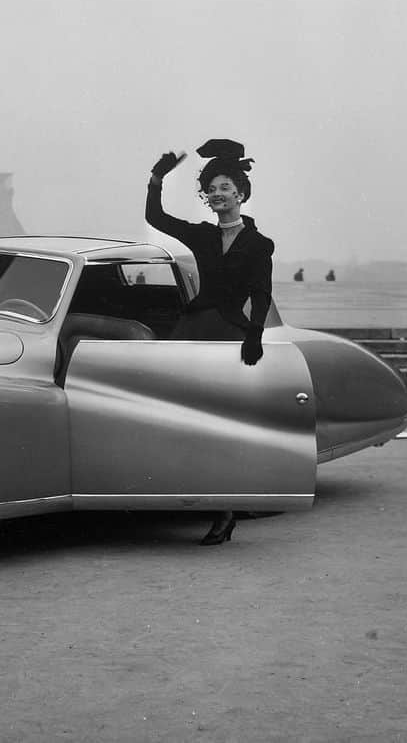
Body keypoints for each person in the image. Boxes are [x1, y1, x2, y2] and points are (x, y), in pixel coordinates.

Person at [146, 138, 275, 547]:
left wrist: (254, 336)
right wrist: (156, 178)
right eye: (211, 189)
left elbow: (262, 295)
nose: (218, 194)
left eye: (225, 188)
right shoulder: (201, 236)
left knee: (223, 424)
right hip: (195, 327)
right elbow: (156, 217)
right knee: (184, 419)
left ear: (241, 193)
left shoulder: (259, 245)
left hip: (230, 334)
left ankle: (226, 509)